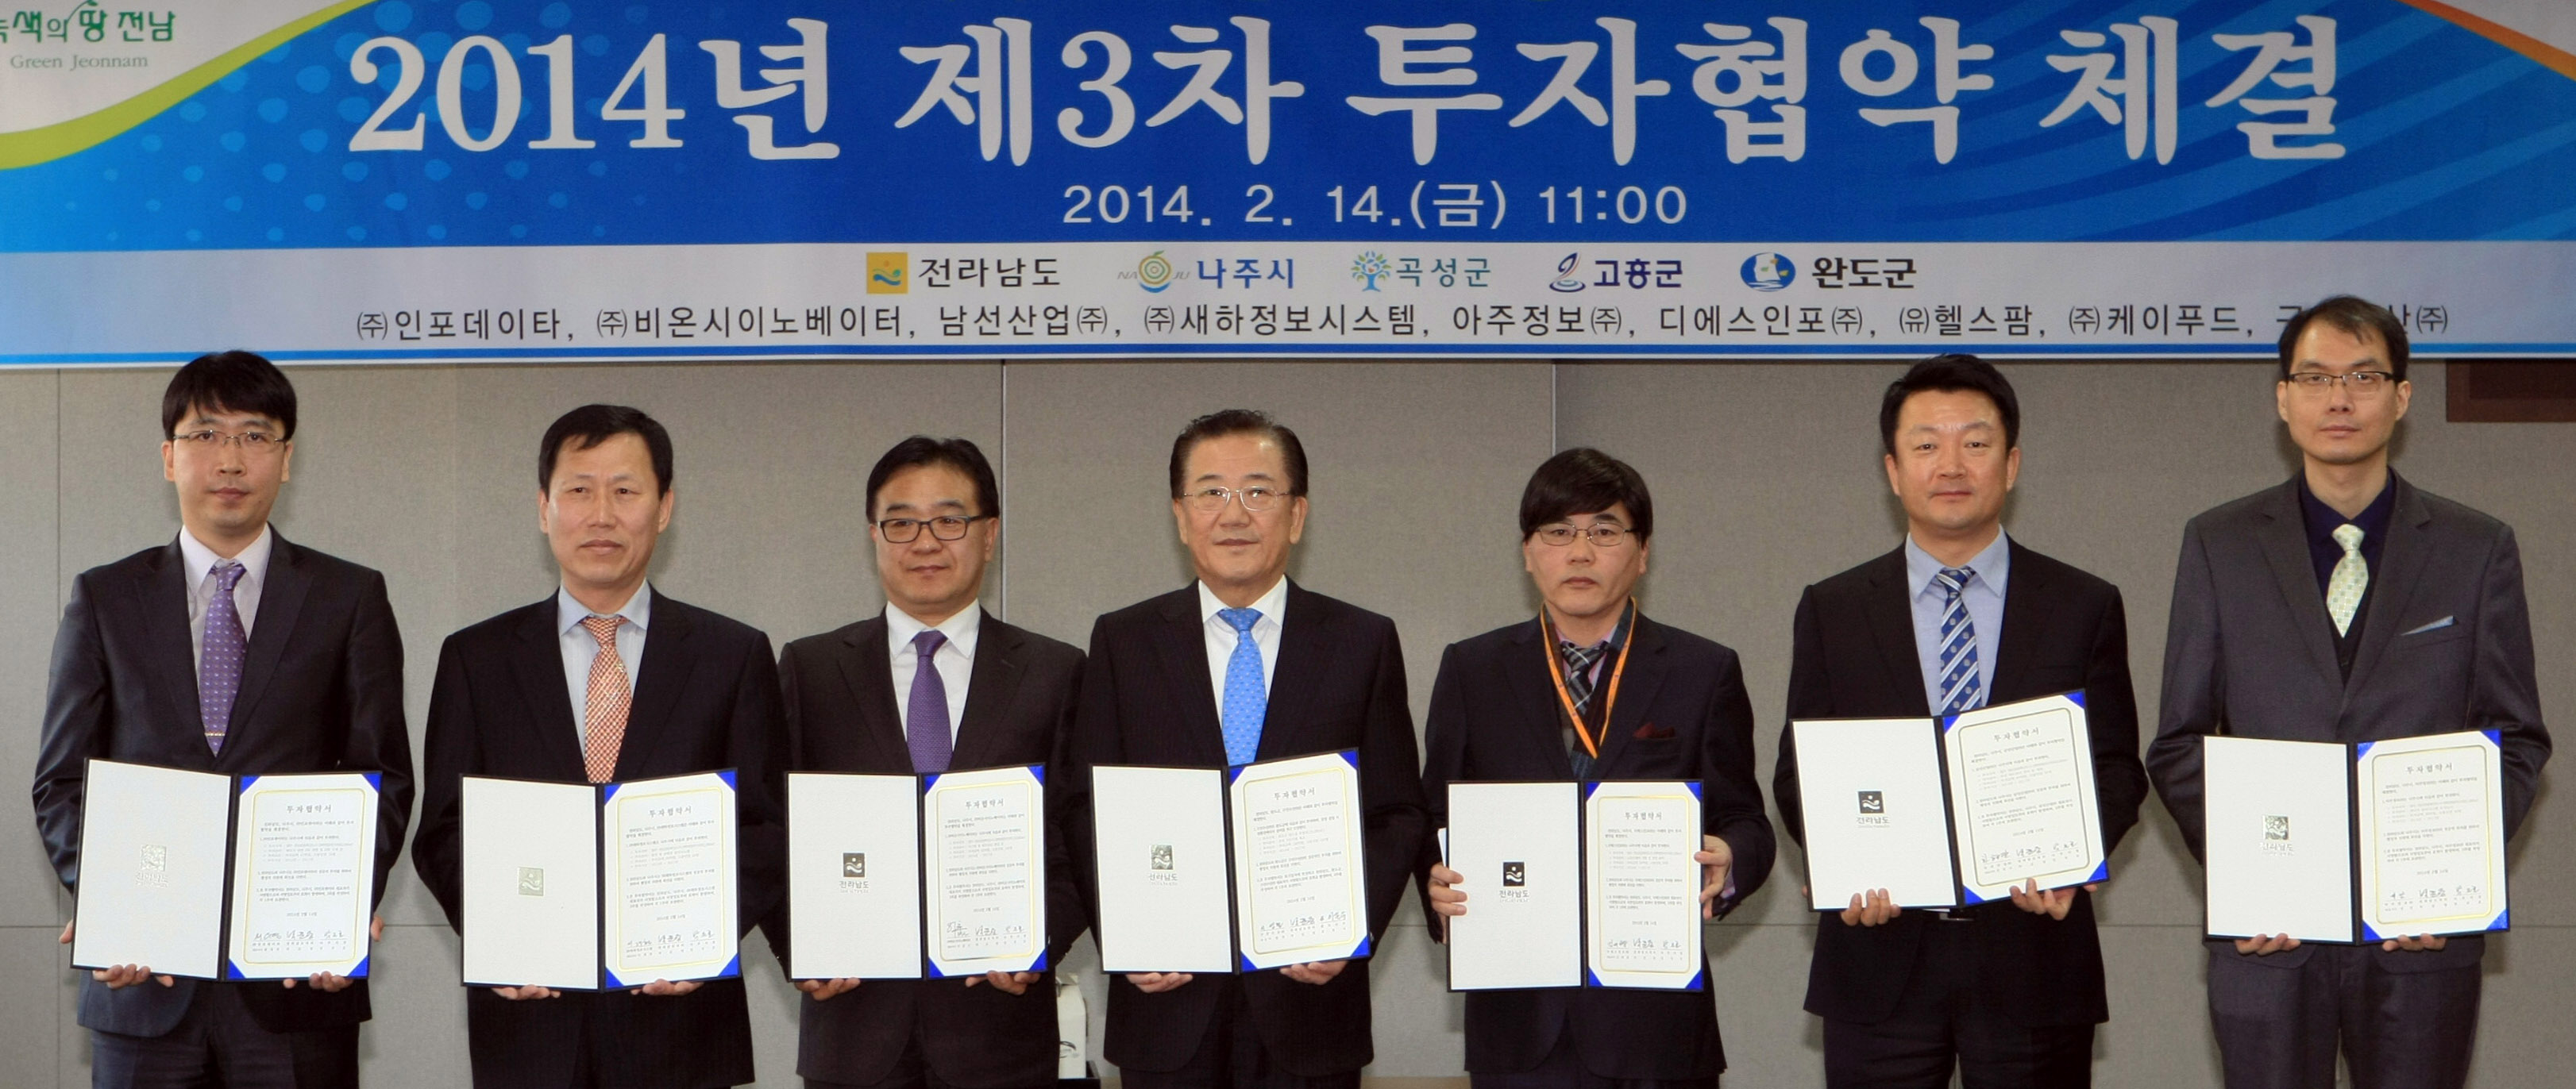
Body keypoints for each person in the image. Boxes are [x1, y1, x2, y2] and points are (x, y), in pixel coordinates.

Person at [2147, 297, 2550, 1089]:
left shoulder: (2475, 548)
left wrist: (2446, 881)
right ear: (2282, 398)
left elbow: (2516, 738)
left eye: (2364, 377)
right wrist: (2247, 876)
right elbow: (2180, 741)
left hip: (2419, 941)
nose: (2339, 398)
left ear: (2401, 397)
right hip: (2270, 938)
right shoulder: (2219, 544)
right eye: (2316, 377)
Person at [33, 350, 415, 1088]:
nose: (231, 459)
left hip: (297, 985)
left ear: (287, 458)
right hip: (143, 983)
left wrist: (343, 905)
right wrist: (108, 900)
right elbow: (61, 780)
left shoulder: (349, 597)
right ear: (169, 458)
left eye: (255, 435)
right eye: (206, 435)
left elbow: (383, 775)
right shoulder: (105, 598)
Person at [1771, 356, 2147, 1088]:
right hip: (1878, 955)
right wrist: (1845, 864)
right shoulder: (1834, 608)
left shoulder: (2083, 603)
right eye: (1926, 445)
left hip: (2034, 952)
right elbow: (1800, 771)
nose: (1951, 465)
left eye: (1975, 443)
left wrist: (2074, 859)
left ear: (2012, 465)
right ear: (1893, 470)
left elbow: (2116, 767)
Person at [411, 404, 788, 1089]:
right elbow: (443, 829)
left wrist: (703, 939)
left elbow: (765, 827)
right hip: (530, 1024)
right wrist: (501, 937)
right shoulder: (477, 658)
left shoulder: (732, 655)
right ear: (544, 508)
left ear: (664, 507)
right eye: (579, 490)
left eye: (625, 490)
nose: (602, 515)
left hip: (682, 1026)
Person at [1060, 409, 1428, 1089]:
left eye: (1258, 491)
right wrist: (1128, 933)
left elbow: (1397, 809)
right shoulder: (1124, 641)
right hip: (1165, 997)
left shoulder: (1361, 641)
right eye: (1211, 493)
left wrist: (1348, 929)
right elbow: (1085, 806)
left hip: (1311, 1000)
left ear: (1297, 514)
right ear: (1180, 516)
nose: (1234, 514)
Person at [1418, 448, 1774, 1089]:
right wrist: (1434, 879)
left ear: (1643, 552)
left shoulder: (1702, 669)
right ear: (1528, 552)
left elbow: (1746, 819)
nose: (1580, 553)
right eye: (1558, 532)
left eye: (1605, 531)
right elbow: (1433, 817)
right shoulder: (1474, 670)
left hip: (1656, 1021)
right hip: (1518, 1015)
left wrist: (1731, 858)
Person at [769, 437, 1086, 1089]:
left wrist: (1037, 942)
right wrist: (800, 945)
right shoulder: (811, 669)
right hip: (853, 1031)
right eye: (901, 522)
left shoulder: (1054, 672)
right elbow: (772, 828)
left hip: (1000, 1033)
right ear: (874, 536)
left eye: (949, 520)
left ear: (989, 535)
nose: (925, 542)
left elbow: (1079, 834)